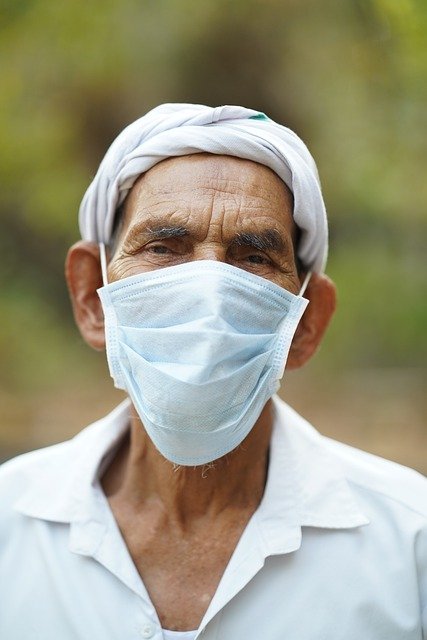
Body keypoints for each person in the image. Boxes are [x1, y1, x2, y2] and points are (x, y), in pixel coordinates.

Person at [0, 104, 426, 640]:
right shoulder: (9, 528)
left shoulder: (410, 545)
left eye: (253, 259)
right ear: (92, 298)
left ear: (305, 322)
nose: (209, 292)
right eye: (163, 248)